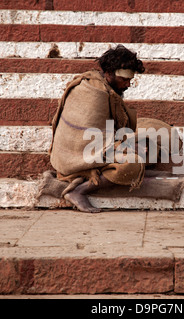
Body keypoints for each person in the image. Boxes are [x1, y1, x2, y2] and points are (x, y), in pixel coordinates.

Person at [49, 45, 174, 213]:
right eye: (124, 80)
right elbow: (88, 142)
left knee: (149, 144)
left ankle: (138, 169)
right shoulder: (94, 93)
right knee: (132, 164)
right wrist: (125, 147)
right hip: (75, 159)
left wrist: (127, 144)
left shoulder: (106, 89)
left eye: (130, 80)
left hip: (98, 148)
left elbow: (109, 131)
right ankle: (79, 190)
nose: (128, 84)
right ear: (109, 73)